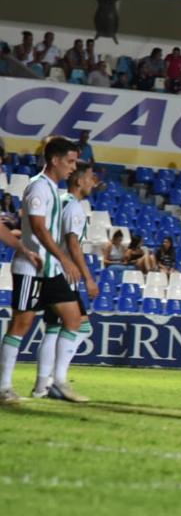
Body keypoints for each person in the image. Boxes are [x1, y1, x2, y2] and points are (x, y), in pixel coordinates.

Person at [0, 137, 82, 405]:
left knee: (73, 318)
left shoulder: (52, 189)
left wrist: (60, 261)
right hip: (32, 267)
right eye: (70, 162)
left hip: (49, 268)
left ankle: (57, 382)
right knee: (21, 323)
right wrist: (64, 258)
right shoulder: (39, 187)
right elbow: (37, 227)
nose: (73, 168)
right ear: (55, 160)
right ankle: (4, 386)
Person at [33, 160, 99, 401]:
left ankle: (43, 384)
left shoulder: (60, 202)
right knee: (80, 326)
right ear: (79, 180)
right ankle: (58, 380)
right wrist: (89, 279)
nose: (94, 182)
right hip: (64, 275)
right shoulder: (75, 209)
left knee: (53, 328)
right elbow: (73, 245)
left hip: (51, 271)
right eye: (91, 177)